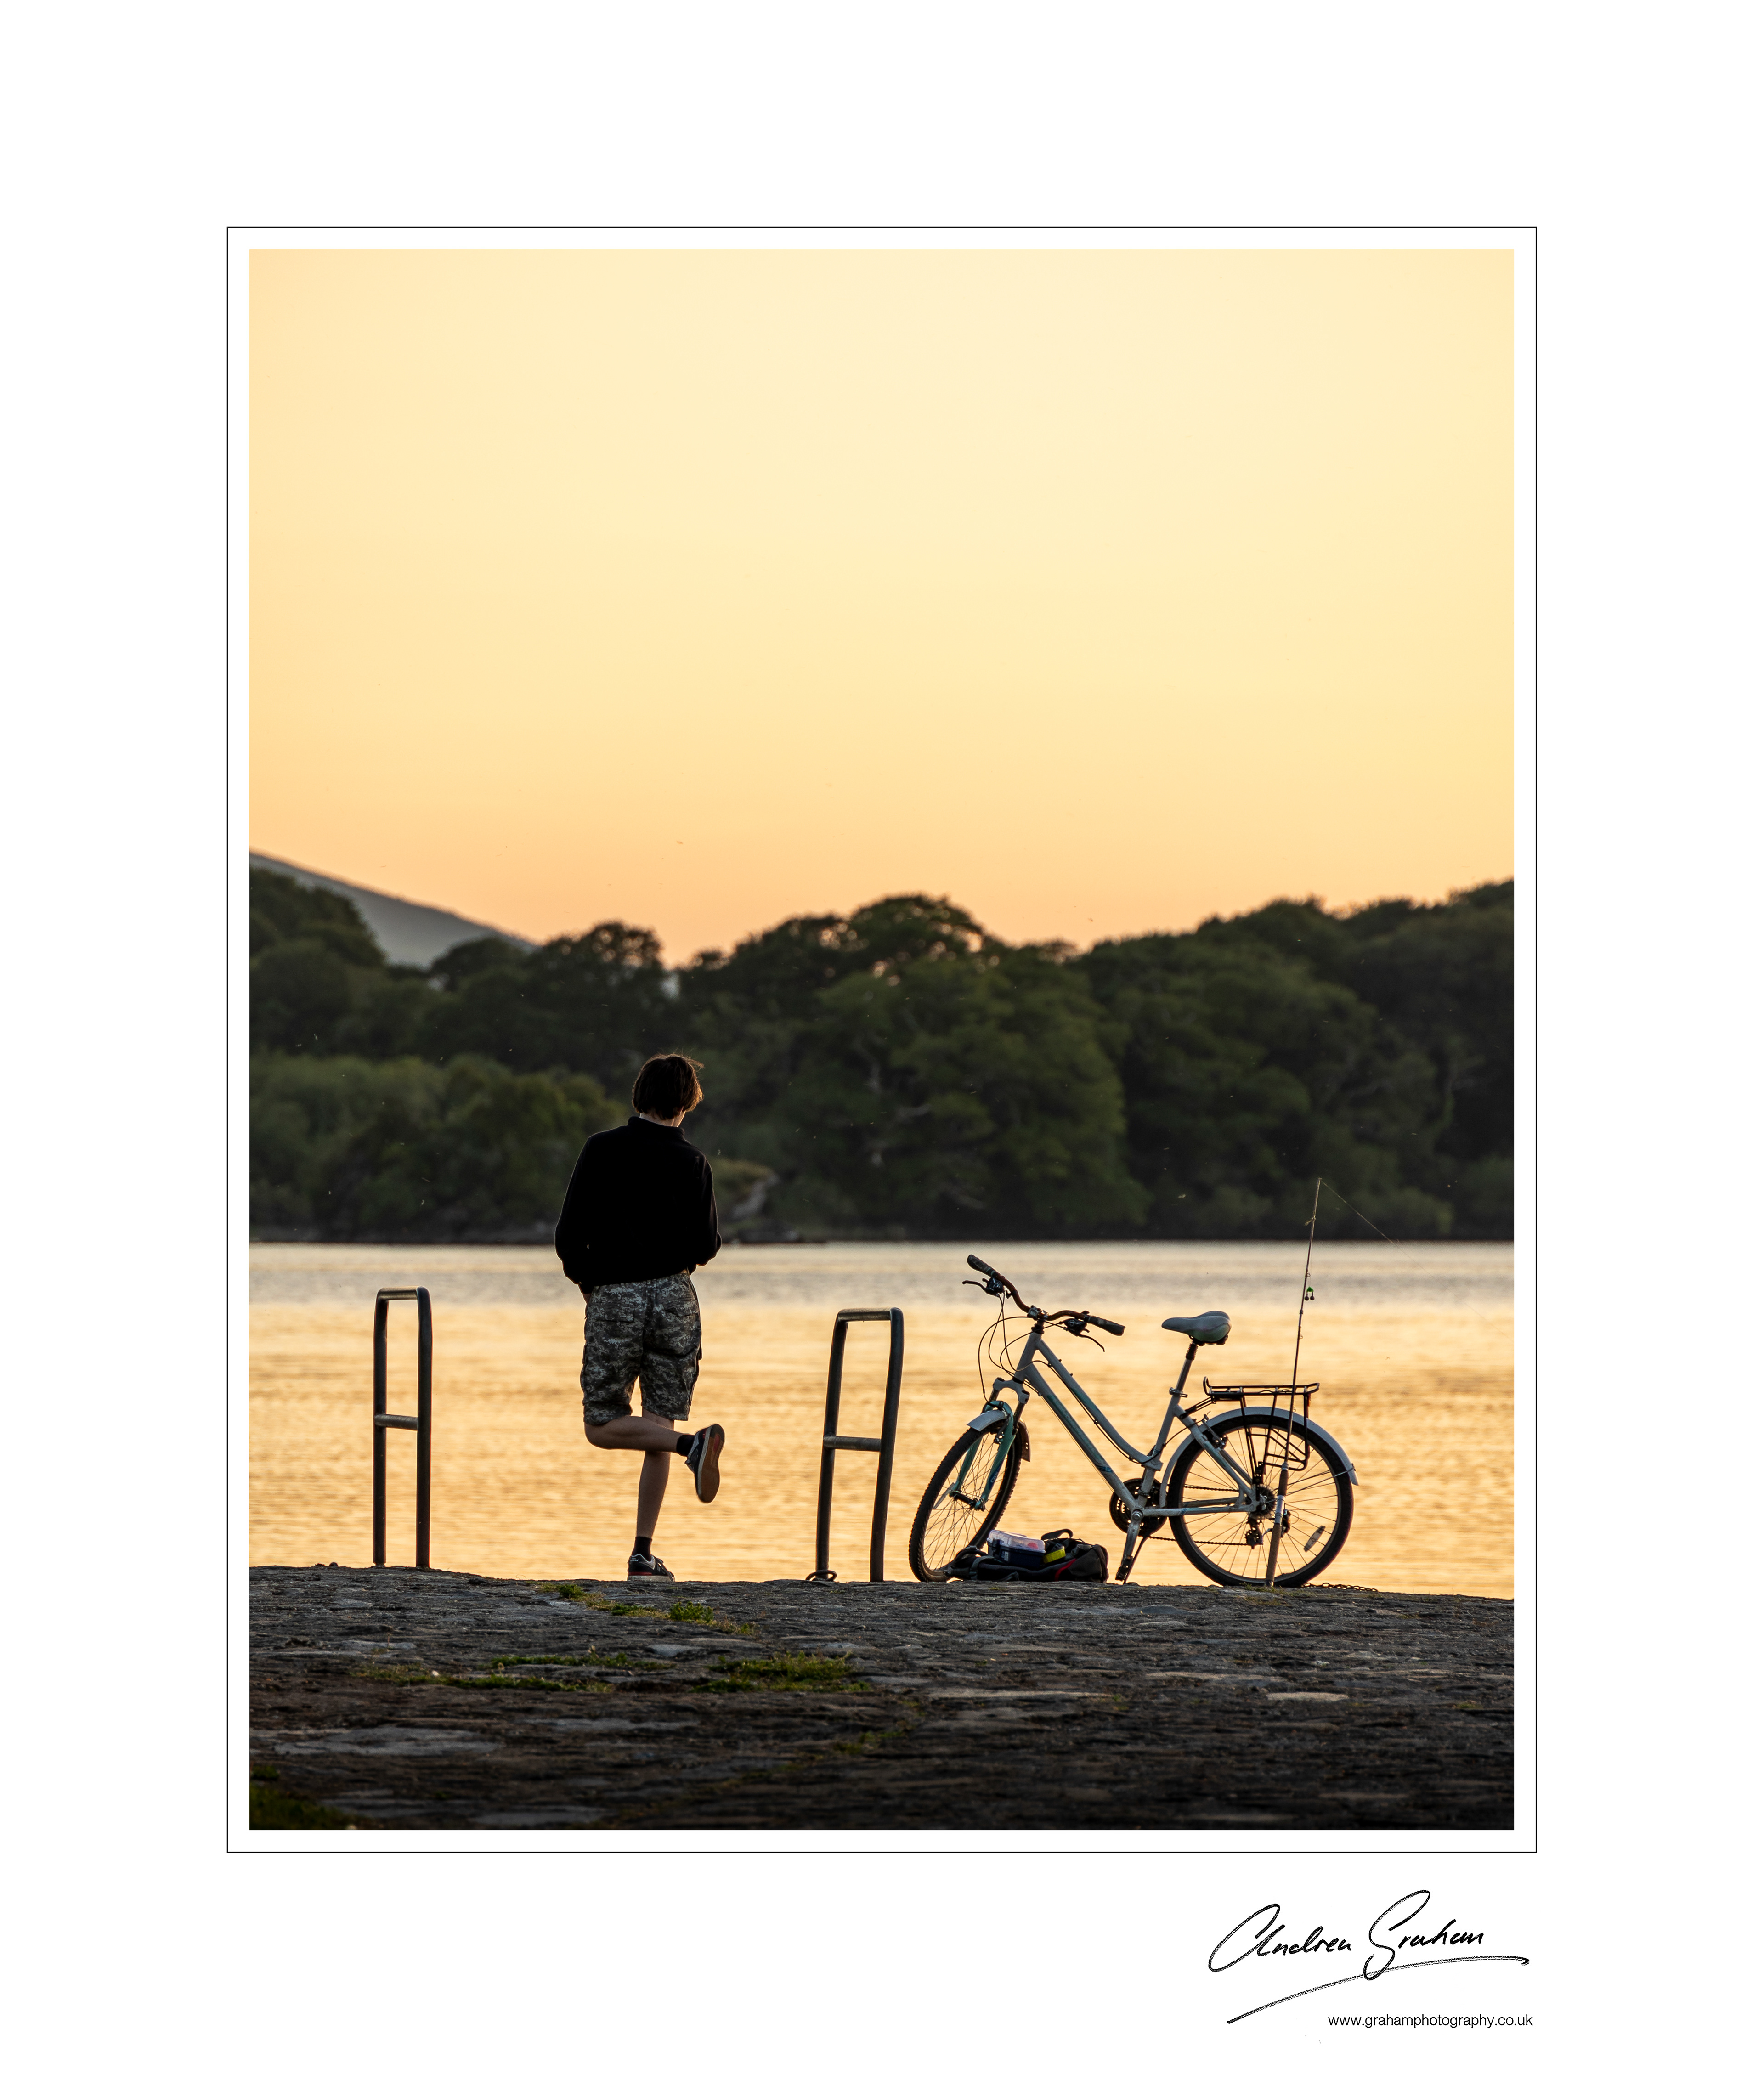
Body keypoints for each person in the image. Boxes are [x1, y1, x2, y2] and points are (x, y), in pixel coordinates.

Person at [554, 1052, 725, 1580]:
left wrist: (590, 1283)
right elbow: (707, 1245)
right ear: (687, 1102)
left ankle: (691, 1447)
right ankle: (642, 1552)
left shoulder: (601, 1149)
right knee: (658, 1420)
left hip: (616, 1296)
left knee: (602, 1424)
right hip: (676, 1297)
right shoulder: (694, 1163)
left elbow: (568, 1236)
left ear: (639, 1094)